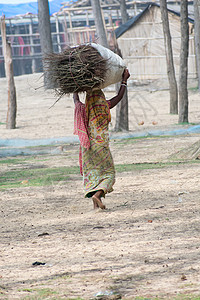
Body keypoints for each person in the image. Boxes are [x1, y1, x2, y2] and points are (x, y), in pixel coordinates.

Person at [73, 68, 130, 210]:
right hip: (101, 146)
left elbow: (75, 99)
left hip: (87, 147)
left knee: (93, 174)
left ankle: (95, 207)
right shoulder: (105, 106)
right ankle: (97, 196)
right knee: (108, 174)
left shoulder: (83, 108)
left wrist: (74, 85)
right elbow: (119, 97)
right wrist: (124, 80)